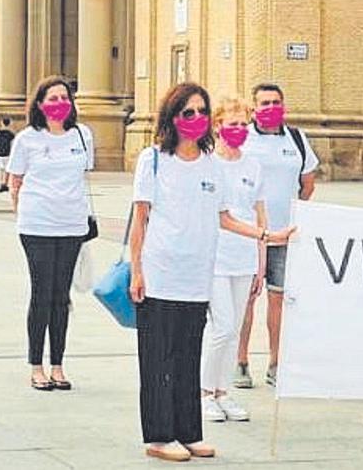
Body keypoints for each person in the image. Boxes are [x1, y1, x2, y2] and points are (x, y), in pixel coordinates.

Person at [128, 82, 293, 462]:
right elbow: (140, 220)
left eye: (202, 112)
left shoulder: (212, 165)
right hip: (159, 274)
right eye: (188, 112)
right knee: (158, 359)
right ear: (172, 117)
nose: (197, 119)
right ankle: (158, 435)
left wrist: (267, 235)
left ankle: (188, 432)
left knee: (187, 356)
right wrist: (137, 270)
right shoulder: (153, 159)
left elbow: (226, 218)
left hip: (196, 276)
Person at [5, 76, 94, 392]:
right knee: (41, 294)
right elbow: (14, 182)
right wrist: (24, 214)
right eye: (52, 98)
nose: (59, 103)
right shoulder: (27, 139)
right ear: (40, 105)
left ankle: (58, 364)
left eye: (64, 97)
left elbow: (84, 174)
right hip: (37, 226)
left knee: (61, 297)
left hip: (72, 226)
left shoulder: (82, 135)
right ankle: (36, 366)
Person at [234, 83, 318, 389]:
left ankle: (276, 362)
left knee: (278, 300)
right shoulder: (243, 136)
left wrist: (295, 214)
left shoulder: (296, 138)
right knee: (246, 300)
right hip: (251, 236)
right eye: (265, 103)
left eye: (276, 102)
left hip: (285, 235)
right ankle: (240, 361)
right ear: (254, 108)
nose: (271, 107)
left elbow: (308, 183)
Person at [200, 96, 266, 423]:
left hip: (245, 256)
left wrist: (261, 261)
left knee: (237, 326)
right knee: (222, 327)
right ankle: (205, 392)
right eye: (232, 124)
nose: (238, 130)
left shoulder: (253, 164)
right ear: (218, 126)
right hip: (215, 256)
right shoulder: (208, 162)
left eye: (243, 124)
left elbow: (259, 213)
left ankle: (224, 392)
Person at [0, 118, 15, 192]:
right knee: (7, 169)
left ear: (2, 123)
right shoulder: (11, 134)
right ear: (9, 123)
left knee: (0, 169)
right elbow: (12, 144)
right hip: (7, 154)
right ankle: (4, 183)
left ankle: (1, 183)